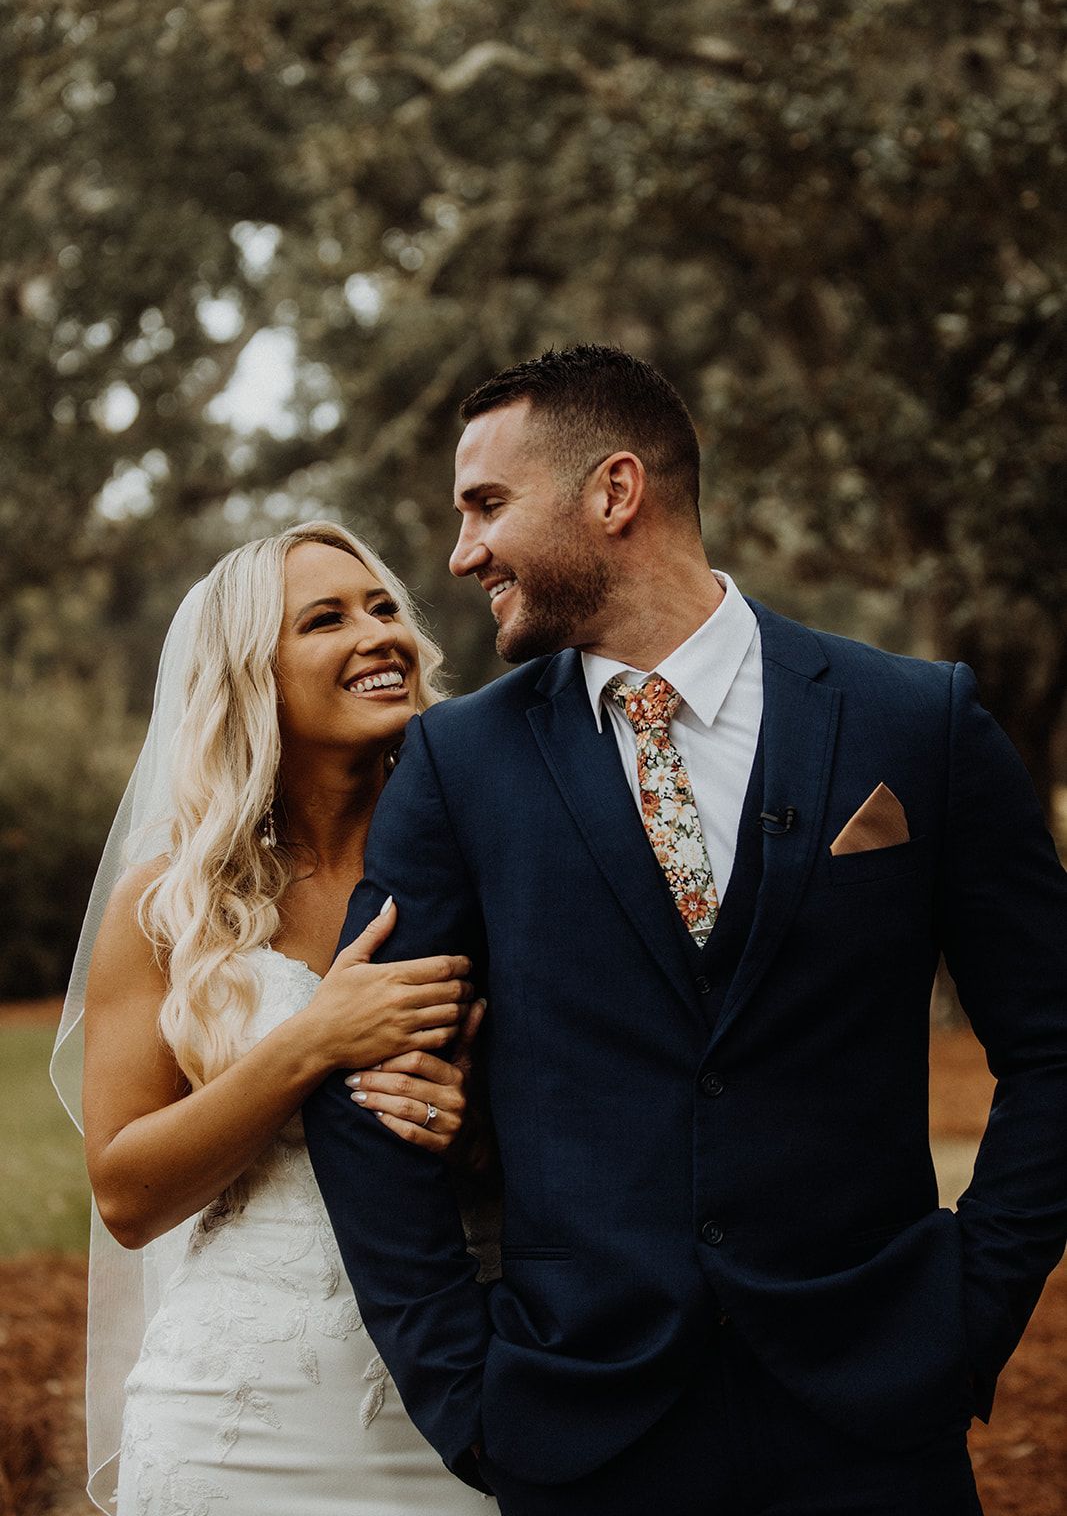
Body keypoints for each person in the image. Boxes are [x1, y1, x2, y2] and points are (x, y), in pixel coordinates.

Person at [303, 344, 1067, 1516]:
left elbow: (1054, 1046)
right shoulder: (462, 764)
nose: (459, 555)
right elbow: (361, 1091)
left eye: (486, 506)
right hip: (581, 1429)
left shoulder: (918, 722)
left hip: (874, 1420)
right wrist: (469, 1397)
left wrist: (966, 1311)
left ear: (613, 493)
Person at [50, 522, 496, 1515]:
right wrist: (311, 1040)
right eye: (325, 619)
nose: (378, 635)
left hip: (457, 1397)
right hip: (237, 1416)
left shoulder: (487, 865)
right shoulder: (169, 906)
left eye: (384, 608)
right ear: (254, 672)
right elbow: (126, 1196)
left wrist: (471, 1132)